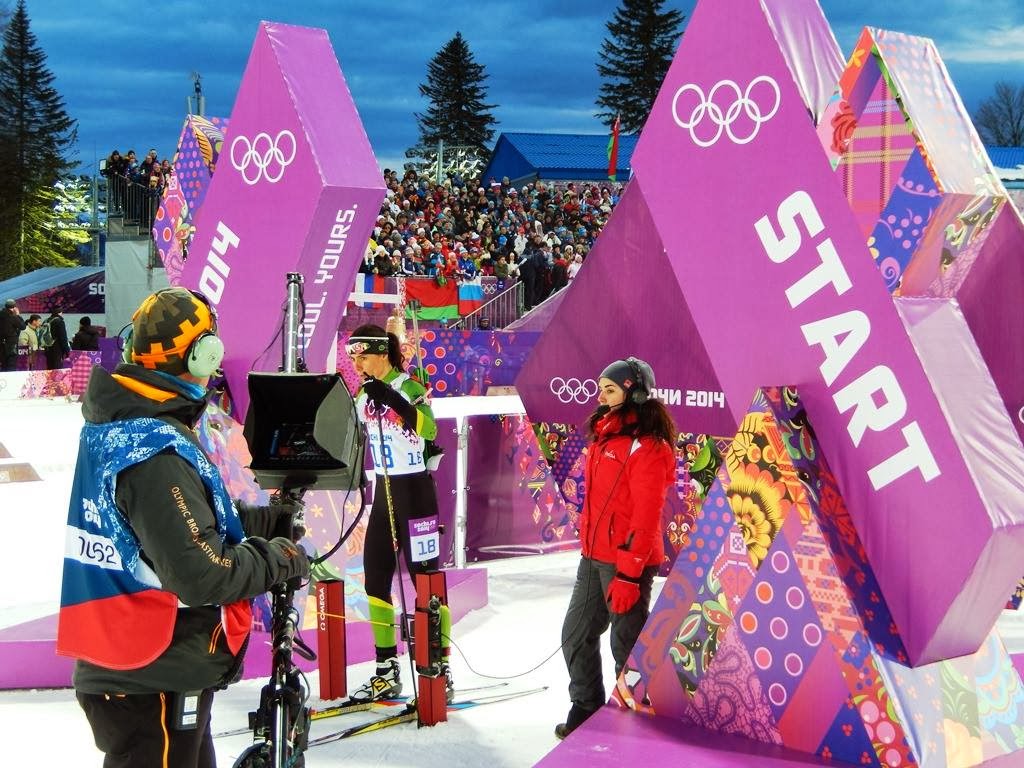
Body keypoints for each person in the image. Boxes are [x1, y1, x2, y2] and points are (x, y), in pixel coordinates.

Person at [57, 287, 310, 768]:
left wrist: (263, 521)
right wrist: (277, 558)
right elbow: (201, 573)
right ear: (202, 354)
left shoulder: (129, 425)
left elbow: (163, 526)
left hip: (145, 663)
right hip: (151, 668)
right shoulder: (153, 449)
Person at [556, 357, 676, 740]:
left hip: (627, 562)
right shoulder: (605, 436)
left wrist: (629, 572)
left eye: (610, 389)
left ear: (634, 392)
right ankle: (586, 706)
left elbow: (646, 515)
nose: (602, 397)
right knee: (575, 634)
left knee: (627, 646)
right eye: (601, 389)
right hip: (593, 557)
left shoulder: (649, 447)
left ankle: (637, 725)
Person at [345, 323, 452, 702]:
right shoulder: (363, 394)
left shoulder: (409, 386)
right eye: (353, 358)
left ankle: (440, 667)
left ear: (381, 354)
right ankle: (386, 669)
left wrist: (392, 398)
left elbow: (429, 429)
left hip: (415, 494)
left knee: (427, 583)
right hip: (384, 493)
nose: (357, 364)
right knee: (375, 580)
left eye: (362, 356)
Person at [1, 298, 26, 372]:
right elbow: (23, 327)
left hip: (1, 343)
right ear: (14, 307)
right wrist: (18, 315)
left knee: (3, 363)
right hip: (11, 344)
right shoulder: (13, 317)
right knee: (11, 363)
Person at [43, 306, 70, 370]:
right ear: (59, 312)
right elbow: (63, 337)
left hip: (47, 347)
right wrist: (67, 350)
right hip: (57, 348)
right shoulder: (59, 321)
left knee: (49, 367)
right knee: (56, 368)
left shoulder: (46, 320)